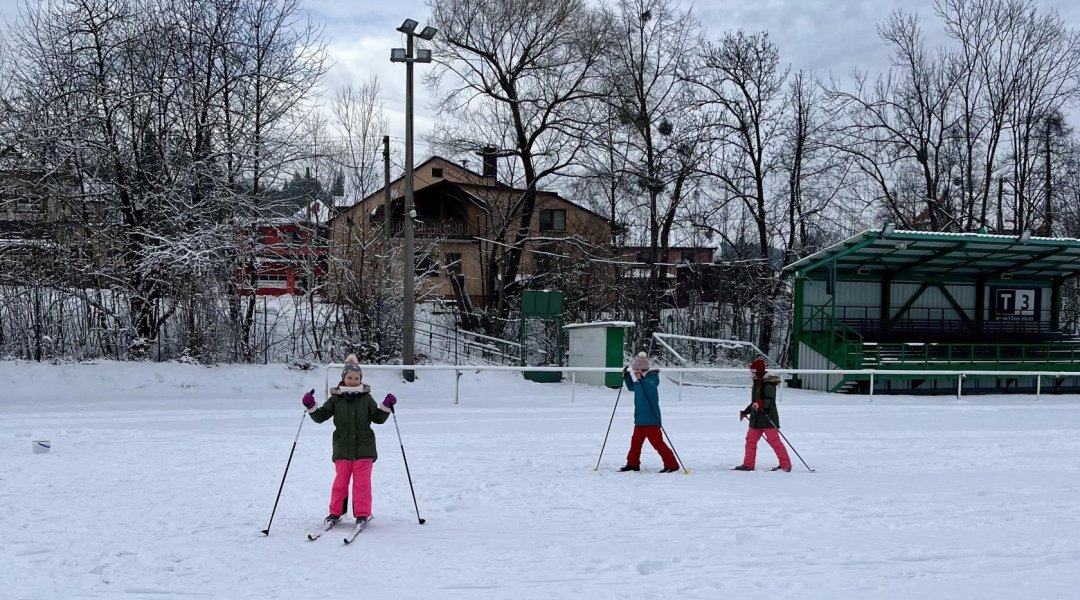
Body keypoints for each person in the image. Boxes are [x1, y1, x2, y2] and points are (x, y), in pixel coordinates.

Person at [302, 354, 397, 527]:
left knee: (362, 485)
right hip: (342, 450)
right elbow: (320, 416)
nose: (353, 380)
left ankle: (362, 514)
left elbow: (378, 418)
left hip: (364, 450)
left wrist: (386, 406)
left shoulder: (366, 398)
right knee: (340, 483)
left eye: (356, 378)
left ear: (361, 379)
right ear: (343, 379)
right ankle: (335, 513)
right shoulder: (336, 399)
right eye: (350, 377)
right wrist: (311, 406)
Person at [619, 352, 680, 474]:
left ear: (644, 369)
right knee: (635, 444)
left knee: (658, 444)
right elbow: (632, 388)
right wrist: (626, 376)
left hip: (651, 420)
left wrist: (641, 380)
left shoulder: (651, 380)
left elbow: (649, 387)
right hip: (640, 420)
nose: (635, 371)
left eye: (637, 369)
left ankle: (672, 465)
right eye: (634, 369)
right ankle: (632, 464)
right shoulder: (639, 381)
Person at [733, 358, 792, 472]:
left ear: (759, 372)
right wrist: (746, 411)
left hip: (768, 418)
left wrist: (760, 404)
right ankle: (748, 464)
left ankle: (786, 465)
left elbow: (770, 401)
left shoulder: (768, 384)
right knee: (750, 441)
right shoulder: (757, 383)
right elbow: (755, 402)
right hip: (756, 420)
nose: (751, 374)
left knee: (774, 442)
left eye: (753, 372)